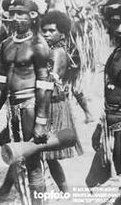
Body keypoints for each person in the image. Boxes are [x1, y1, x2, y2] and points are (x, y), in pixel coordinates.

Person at [0, 0, 52, 205]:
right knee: (15, 155)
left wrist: (41, 121)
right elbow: (2, 79)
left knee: (33, 162)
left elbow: (45, 84)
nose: (14, 18)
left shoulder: (39, 45)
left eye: (20, 14)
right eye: (11, 13)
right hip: (12, 109)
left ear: (33, 15)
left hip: (31, 107)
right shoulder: (5, 43)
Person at [41, 10, 83, 192]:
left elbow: (50, 82)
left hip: (52, 105)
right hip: (54, 102)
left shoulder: (56, 53)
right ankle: (64, 191)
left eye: (51, 31)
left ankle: (65, 191)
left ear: (63, 34)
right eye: (44, 30)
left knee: (48, 153)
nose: (46, 34)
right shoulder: (56, 51)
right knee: (48, 155)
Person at [92, 0, 121, 178]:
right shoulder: (116, 53)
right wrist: (100, 126)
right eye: (115, 22)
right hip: (112, 126)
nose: (120, 28)